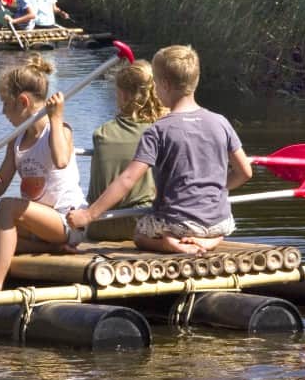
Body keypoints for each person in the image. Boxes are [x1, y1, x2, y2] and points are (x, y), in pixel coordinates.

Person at [68, 45, 252, 254]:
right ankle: (211, 241)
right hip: (220, 222)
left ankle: (168, 244)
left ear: (164, 85)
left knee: (140, 234)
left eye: (155, 83)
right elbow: (245, 172)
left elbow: (127, 179)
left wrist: (89, 214)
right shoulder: (221, 122)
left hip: (176, 224)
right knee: (219, 225)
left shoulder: (159, 130)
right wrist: (213, 192)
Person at [0, 55, 86, 295]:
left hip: (65, 221)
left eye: (4, 103)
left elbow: (61, 160)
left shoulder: (59, 129)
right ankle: (53, 249)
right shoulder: (16, 141)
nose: (2, 111)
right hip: (36, 225)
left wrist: (57, 117)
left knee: (7, 207)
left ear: (22, 101)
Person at [85, 60, 166, 241]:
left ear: (122, 95)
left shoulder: (102, 133)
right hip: (141, 225)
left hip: (99, 227)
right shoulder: (162, 130)